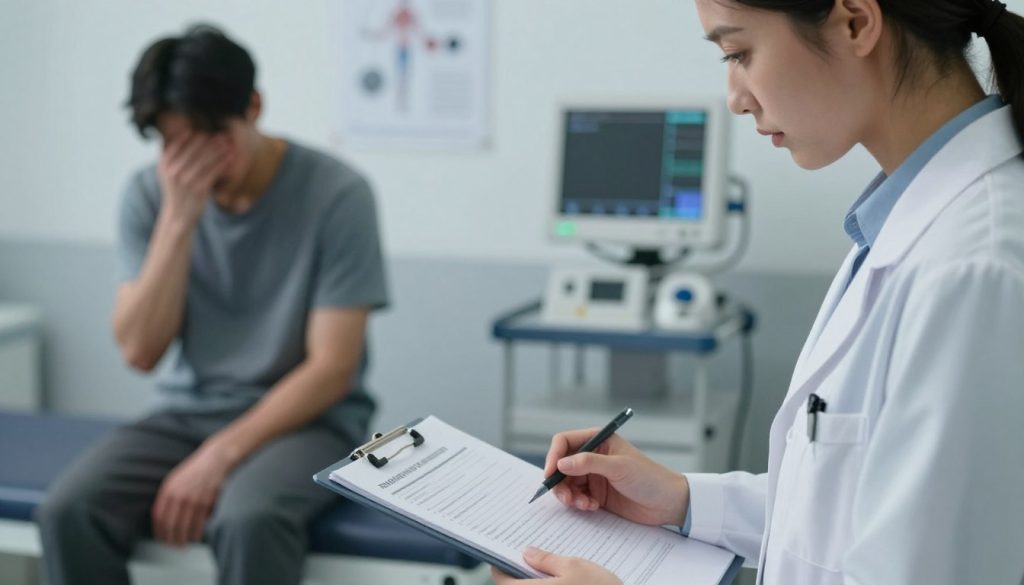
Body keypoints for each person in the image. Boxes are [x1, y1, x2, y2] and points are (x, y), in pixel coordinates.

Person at [493, 0, 1024, 583]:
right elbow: (849, 512)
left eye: (739, 53)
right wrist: (682, 499)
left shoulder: (974, 269)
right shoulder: (903, 226)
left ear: (855, 22)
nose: (735, 97)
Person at [35, 24, 389, 585]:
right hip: (185, 413)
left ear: (254, 106)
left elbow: (332, 369)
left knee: (249, 518)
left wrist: (219, 456)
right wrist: (178, 222)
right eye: (175, 144)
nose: (195, 162)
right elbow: (139, 352)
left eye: (210, 137)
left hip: (311, 424)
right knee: (68, 511)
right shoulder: (150, 195)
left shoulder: (337, 194)